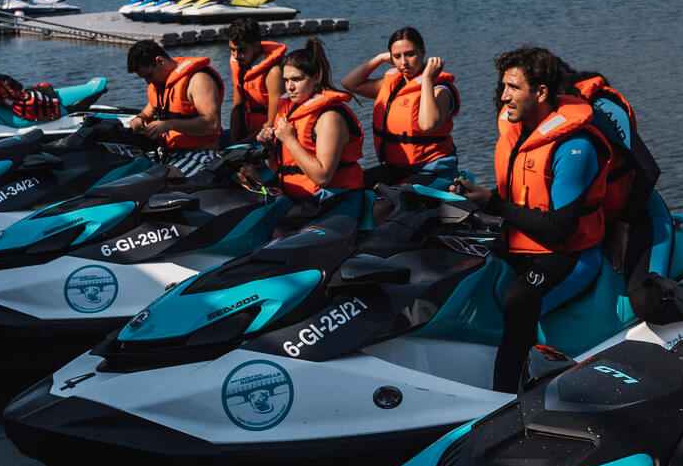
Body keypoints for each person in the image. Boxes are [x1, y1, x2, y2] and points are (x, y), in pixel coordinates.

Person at [450, 46, 611, 394]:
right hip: (520, 240)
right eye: (503, 86)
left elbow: (559, 229)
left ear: (540, 93)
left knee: (518, 300)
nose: (503, 96)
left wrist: (492, 202)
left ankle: (503, 397)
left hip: (566, 254)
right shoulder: (518, 131)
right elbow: (521, 192)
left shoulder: (573, 148)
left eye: (513, 87)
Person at [566, 68, 660, 279]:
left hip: (624, 212)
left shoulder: (599, 108)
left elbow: (649, 169)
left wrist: (623, 225)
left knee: (639, 295)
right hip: (583, 220)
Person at [342, 26, 460, 185]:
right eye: (397, 56)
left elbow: (427, 124)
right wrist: (379, 58)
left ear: (423, 52)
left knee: (386, 206)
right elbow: (349, 83)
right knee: (353, 185)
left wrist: (426, 79)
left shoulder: (441, 90)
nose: (404, 62)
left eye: (410, 54)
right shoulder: (393, 84)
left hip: (431, 170)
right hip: (396, 169)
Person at [255, 40, 365, 200]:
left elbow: (323, 177)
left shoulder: (330, 117)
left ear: (316, 77)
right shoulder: (289, 110)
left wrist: (289, 140)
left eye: (296, 79)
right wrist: (269, 147)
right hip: (296, 199)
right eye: (286, 80)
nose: (289, 87)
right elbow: (280, 167)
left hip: (335, 200)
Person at [122, 39, 223, 151]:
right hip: (169, 150)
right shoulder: (160, 83)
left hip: (201, 153)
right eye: (144, 78)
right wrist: (140, 118)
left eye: (149, 75)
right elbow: (150, 108)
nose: (148, 82)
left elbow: (212, 124)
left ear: (160, 61)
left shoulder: (198, 80)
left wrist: (169, 125)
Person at [225, 17, 286, 144]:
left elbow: (272, 122)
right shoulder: (239, 64)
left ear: (256, 45)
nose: (236, 55)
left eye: (241, 50)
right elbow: (237, 106)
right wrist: (234, 142)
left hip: (271, 135)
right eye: (232, 50)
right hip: (250, 129)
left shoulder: (273, 72)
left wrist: (246, 144)